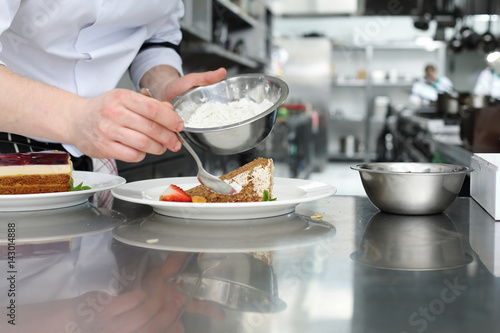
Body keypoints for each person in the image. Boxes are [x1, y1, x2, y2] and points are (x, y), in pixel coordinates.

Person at [0, 1, 226, 173]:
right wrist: (76, 118)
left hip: (99, 144)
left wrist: (163, 84)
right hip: (11, 130)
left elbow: (156, 36)